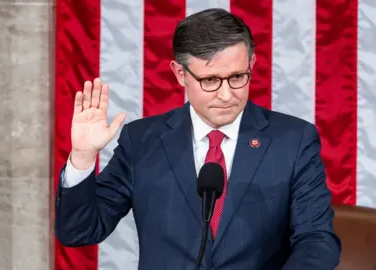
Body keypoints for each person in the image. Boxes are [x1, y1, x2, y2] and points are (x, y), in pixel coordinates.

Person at [55, 8, 341, 269]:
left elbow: (317, 239)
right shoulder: (141, 141)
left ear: (252, 63)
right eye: (210, 80)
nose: (227, 94)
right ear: (180, 74)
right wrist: (82, 158)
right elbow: (80, 231)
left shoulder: (293, 140)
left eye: (238, 77)